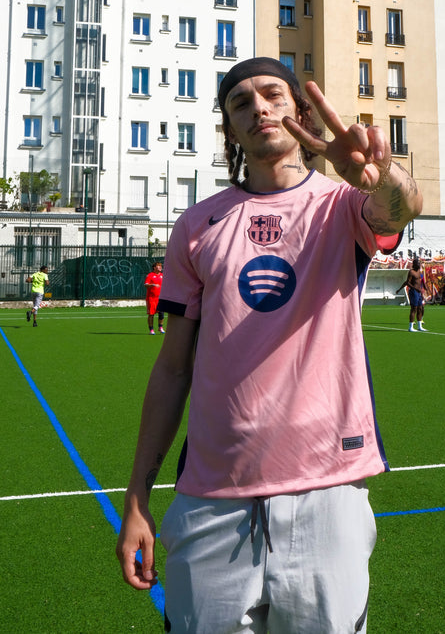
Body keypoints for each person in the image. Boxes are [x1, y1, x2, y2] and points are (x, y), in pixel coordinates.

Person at [116, 57, 423, 634]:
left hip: (326, 489)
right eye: (241, 102)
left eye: (273, 94)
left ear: (299, 112)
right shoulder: (197, 225)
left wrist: (380, 174)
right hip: (212, 496)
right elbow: (173, 369)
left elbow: (400, 208)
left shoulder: (342, 206)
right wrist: (137, 498)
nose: (258, 107)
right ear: (230, 129)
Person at [396, 256, 427, 331]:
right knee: (414, 308)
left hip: (419, 292)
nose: (419, 264)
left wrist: (423, 290)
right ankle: (411, 327)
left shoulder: (419, 271)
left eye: (419, 263)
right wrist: (415, 288)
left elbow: (421, 281)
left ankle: (419, 326)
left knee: (420, 308)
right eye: (418, 263)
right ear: (414, 264)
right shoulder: (411, 272)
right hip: (413, 292)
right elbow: (407, 282)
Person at [144, 262, 165, 335]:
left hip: (160, 298)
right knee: (151, 314)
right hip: (151, 298)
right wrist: (152, 285)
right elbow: (145, 285)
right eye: (158, 266)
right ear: (154, 267)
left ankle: (160, 327)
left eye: (161, 266)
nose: (160, 267)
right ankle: (151, 330)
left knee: (161, 314)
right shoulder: (150, 275)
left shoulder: (162, 275)